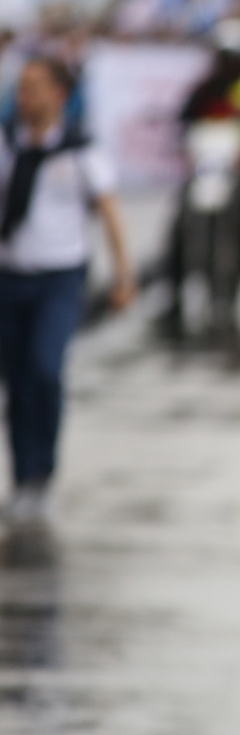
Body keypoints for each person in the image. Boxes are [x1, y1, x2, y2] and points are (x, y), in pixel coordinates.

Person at [0, 59, 134, 524]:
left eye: (36, 89)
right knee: (16, 381)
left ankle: (42, 473)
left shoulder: (81, 152)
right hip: (10, 277)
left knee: (45, 369)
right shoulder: (6, 144)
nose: (25, 98)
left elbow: (110, 213)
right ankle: (22, 476)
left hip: (59, 280)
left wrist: (124, 275)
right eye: (22, 88)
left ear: (59, 94)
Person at [155, 18, 240, 336]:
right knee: (178, 224)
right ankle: (174, 299)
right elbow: (183, 121)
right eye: (224, 57)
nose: (227, 64)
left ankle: (238, 280)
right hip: (206, 172)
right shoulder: (204, 87)